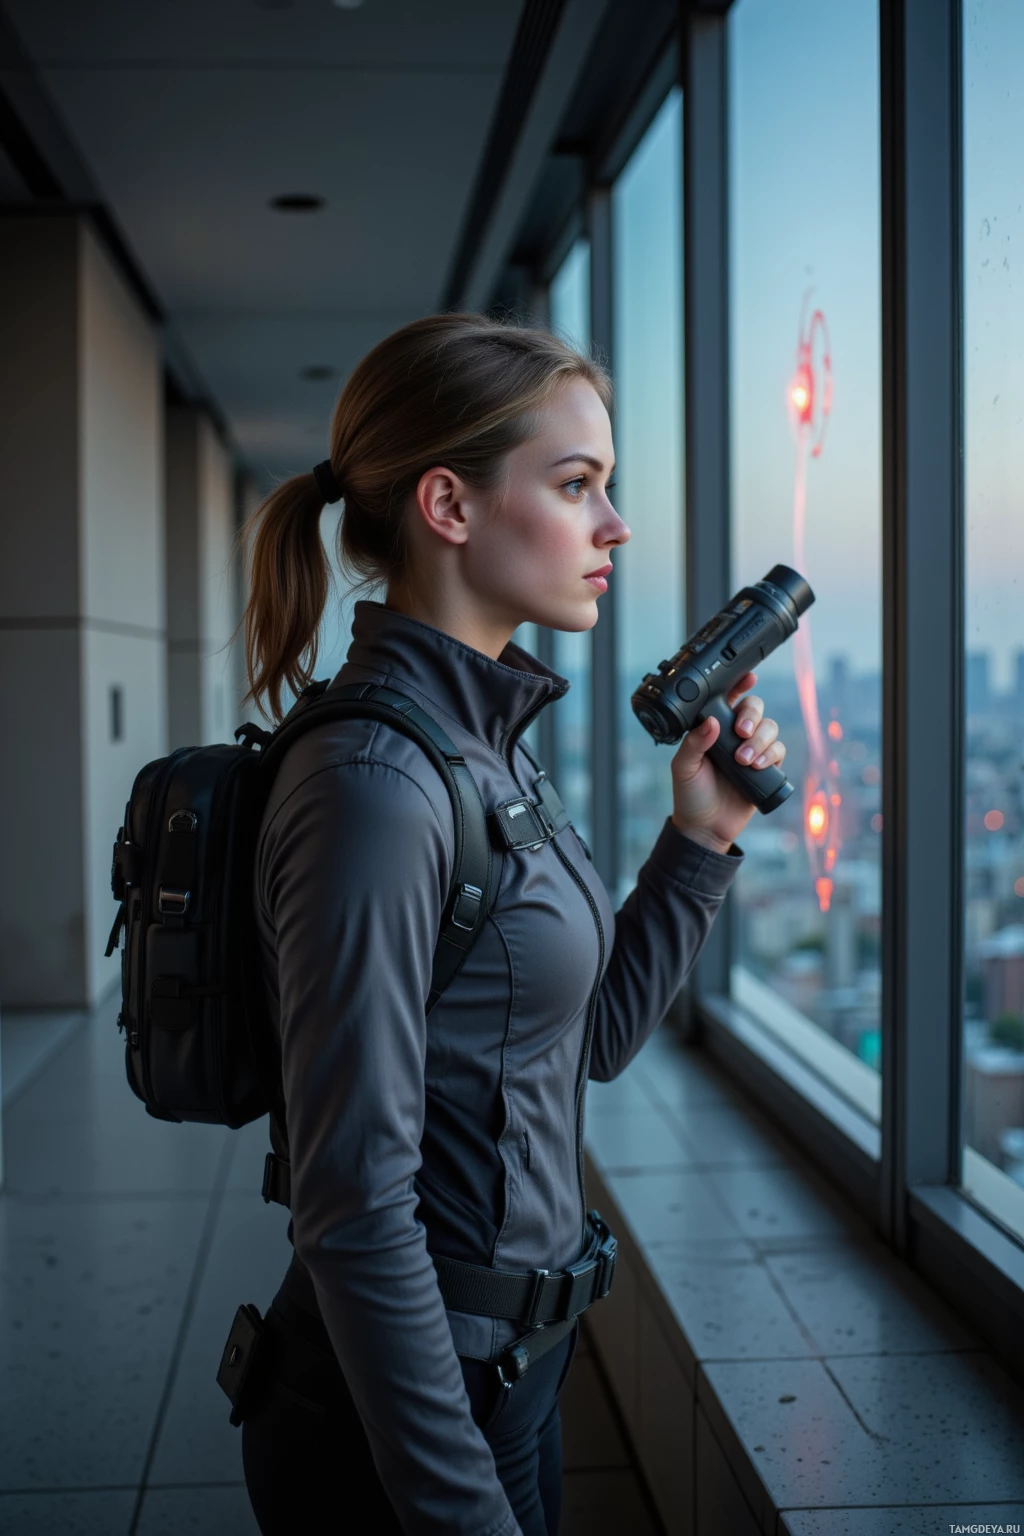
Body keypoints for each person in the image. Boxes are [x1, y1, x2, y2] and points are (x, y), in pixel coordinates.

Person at [237, 314, 786, 1536]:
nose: (615, 525)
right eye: (576, 484)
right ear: (449, 505)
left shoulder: (484, 747)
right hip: (403, 1425)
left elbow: (575, 1046)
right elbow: (353, 1205)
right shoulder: (378, 784)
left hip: (509, 1380)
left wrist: (697, 840)